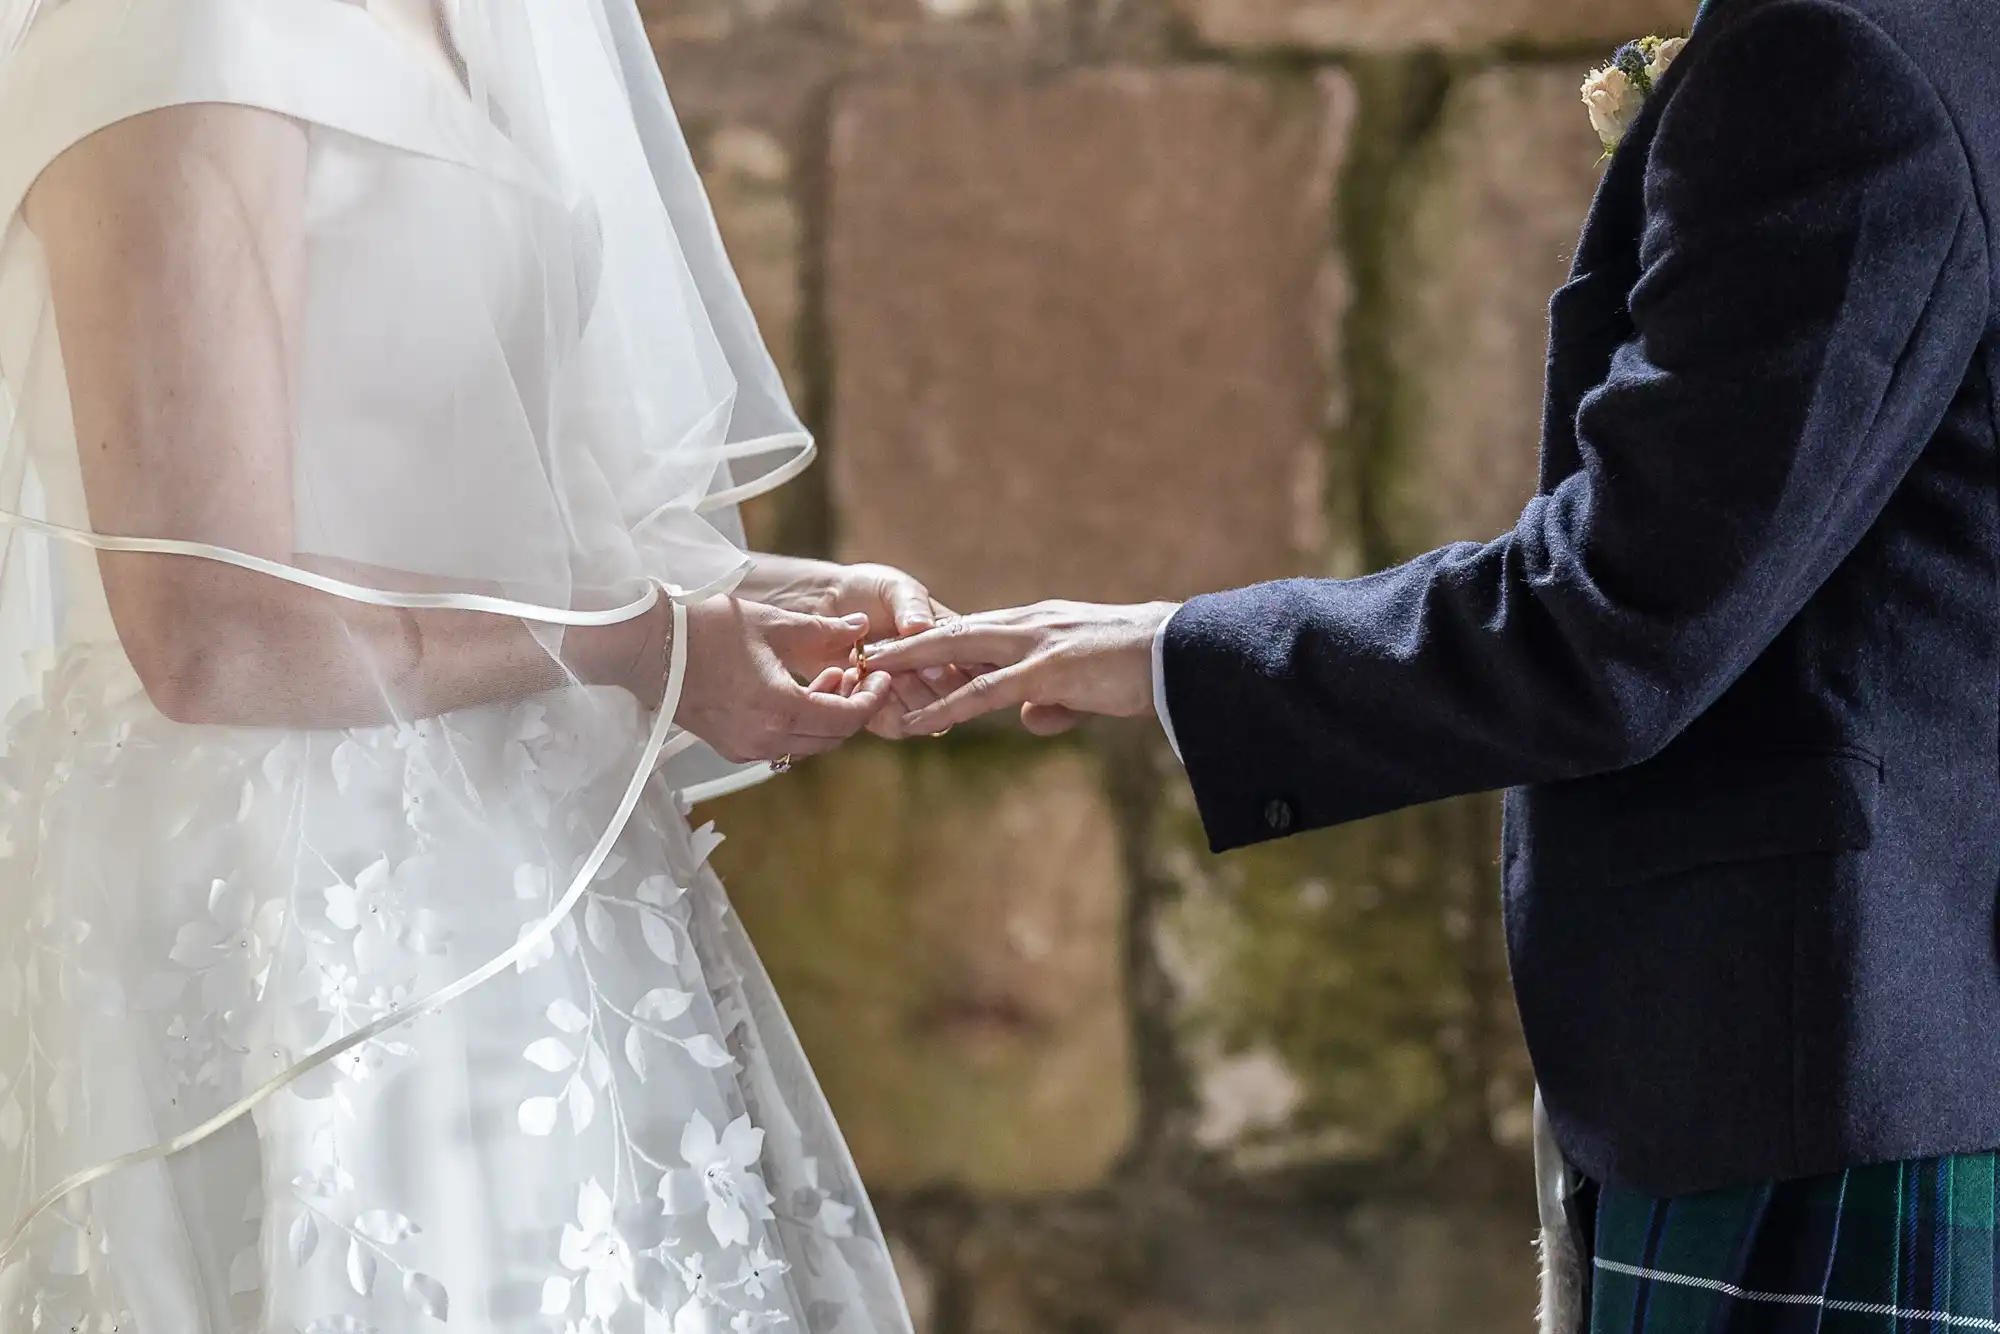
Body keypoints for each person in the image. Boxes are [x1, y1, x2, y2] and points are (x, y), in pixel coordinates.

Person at [865, 0, 2000, 1329]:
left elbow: (1620, 619)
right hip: (1893, 1049)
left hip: (1817, 1085)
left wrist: (1175, 657)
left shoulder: (1837, 55)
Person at [0, 1, 946, 1329]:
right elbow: (210, 633)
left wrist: (766, 597)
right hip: (302, 907)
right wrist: (648, 644)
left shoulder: (464, 23)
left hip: (524, 889)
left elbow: (485, 520)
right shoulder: (181, 34)